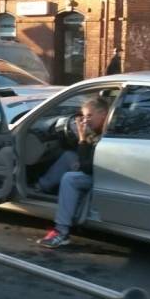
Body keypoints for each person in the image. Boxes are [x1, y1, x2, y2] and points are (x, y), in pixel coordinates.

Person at [36, 96, 111, 248]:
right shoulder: (99, 131)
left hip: (102, 178)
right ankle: (40, 187)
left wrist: (82, 139)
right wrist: (84, 139)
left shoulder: (107, 134)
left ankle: (61, 232)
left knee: (70, 179)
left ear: (103, 114)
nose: (85, 121)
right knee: (69, 156)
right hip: (98, 171)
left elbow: (87, 168)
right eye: (83, 117)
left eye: (89, 116)